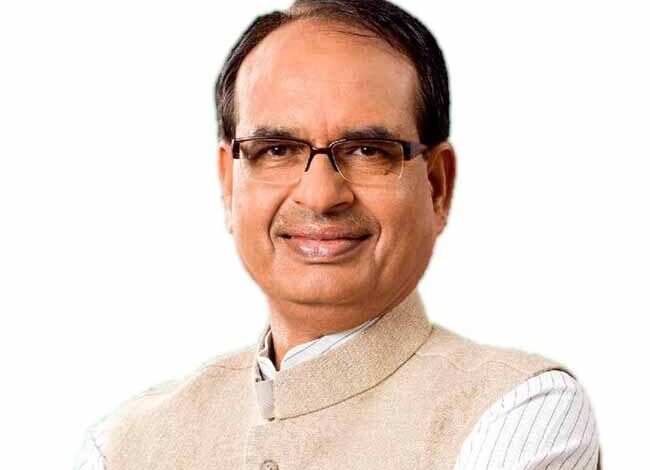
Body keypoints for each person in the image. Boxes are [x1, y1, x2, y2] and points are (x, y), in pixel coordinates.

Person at [74, 1, 601, 469]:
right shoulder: (122, 445)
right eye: (277, 150)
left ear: (437, 186)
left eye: (368, 151)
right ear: (230, 185)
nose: (321, 195)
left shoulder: (520, 410)